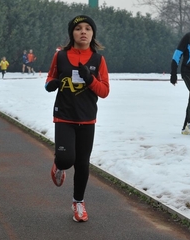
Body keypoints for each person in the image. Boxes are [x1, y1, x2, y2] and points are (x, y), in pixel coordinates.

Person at [44, 15, 110, 222]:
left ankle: (78, 202)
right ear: (71, 33)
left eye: (88, 28)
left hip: (87, 118)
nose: (83, 31)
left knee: (82, 163)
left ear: (93, 34)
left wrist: (89, 78)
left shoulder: (98, 60)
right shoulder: (61, 56)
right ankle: (59, 165)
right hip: (64, 116)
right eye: (78, 28)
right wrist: (51, 85)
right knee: (66, 158)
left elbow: (104, 91)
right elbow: (49, 78)